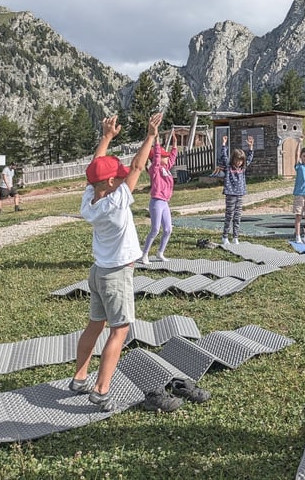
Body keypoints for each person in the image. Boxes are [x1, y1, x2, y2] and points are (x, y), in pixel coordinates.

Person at [70, 112, 163, 411]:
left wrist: (107, 137)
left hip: (98, 273)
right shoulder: (117, 199)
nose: (125, 176)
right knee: (119, 330)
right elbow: (138, 165)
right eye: (118, 176)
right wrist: (150, 135)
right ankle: (100, 390)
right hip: (116, 275)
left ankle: (79, 377)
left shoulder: (91, 199)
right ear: (111, 182)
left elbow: (94, 169)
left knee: (94, 326)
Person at [140, 127, 179, 265]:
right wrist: (156, 140)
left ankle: (160, 252)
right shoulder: (155, 169)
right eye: (164, 155)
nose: (166, 157)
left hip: (164, 203)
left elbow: (172, 159)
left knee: (168, 229)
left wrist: (175, 144)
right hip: (156, 202)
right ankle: (144, 254)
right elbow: (156, 157)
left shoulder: (166, 168)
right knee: (155, 229)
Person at [218, 134, 254, 245]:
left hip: (240, 194)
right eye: (237, 160)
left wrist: (251, 147)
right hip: (230, 194)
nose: (239, 162)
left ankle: (235, 237)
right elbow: (224, 157)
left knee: (237, 216)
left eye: (241, 161)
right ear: (233, 159)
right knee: (229, 215)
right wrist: (224, 145)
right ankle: (225, 237)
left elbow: (249, 158)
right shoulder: (229, 168)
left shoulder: (243, 168)